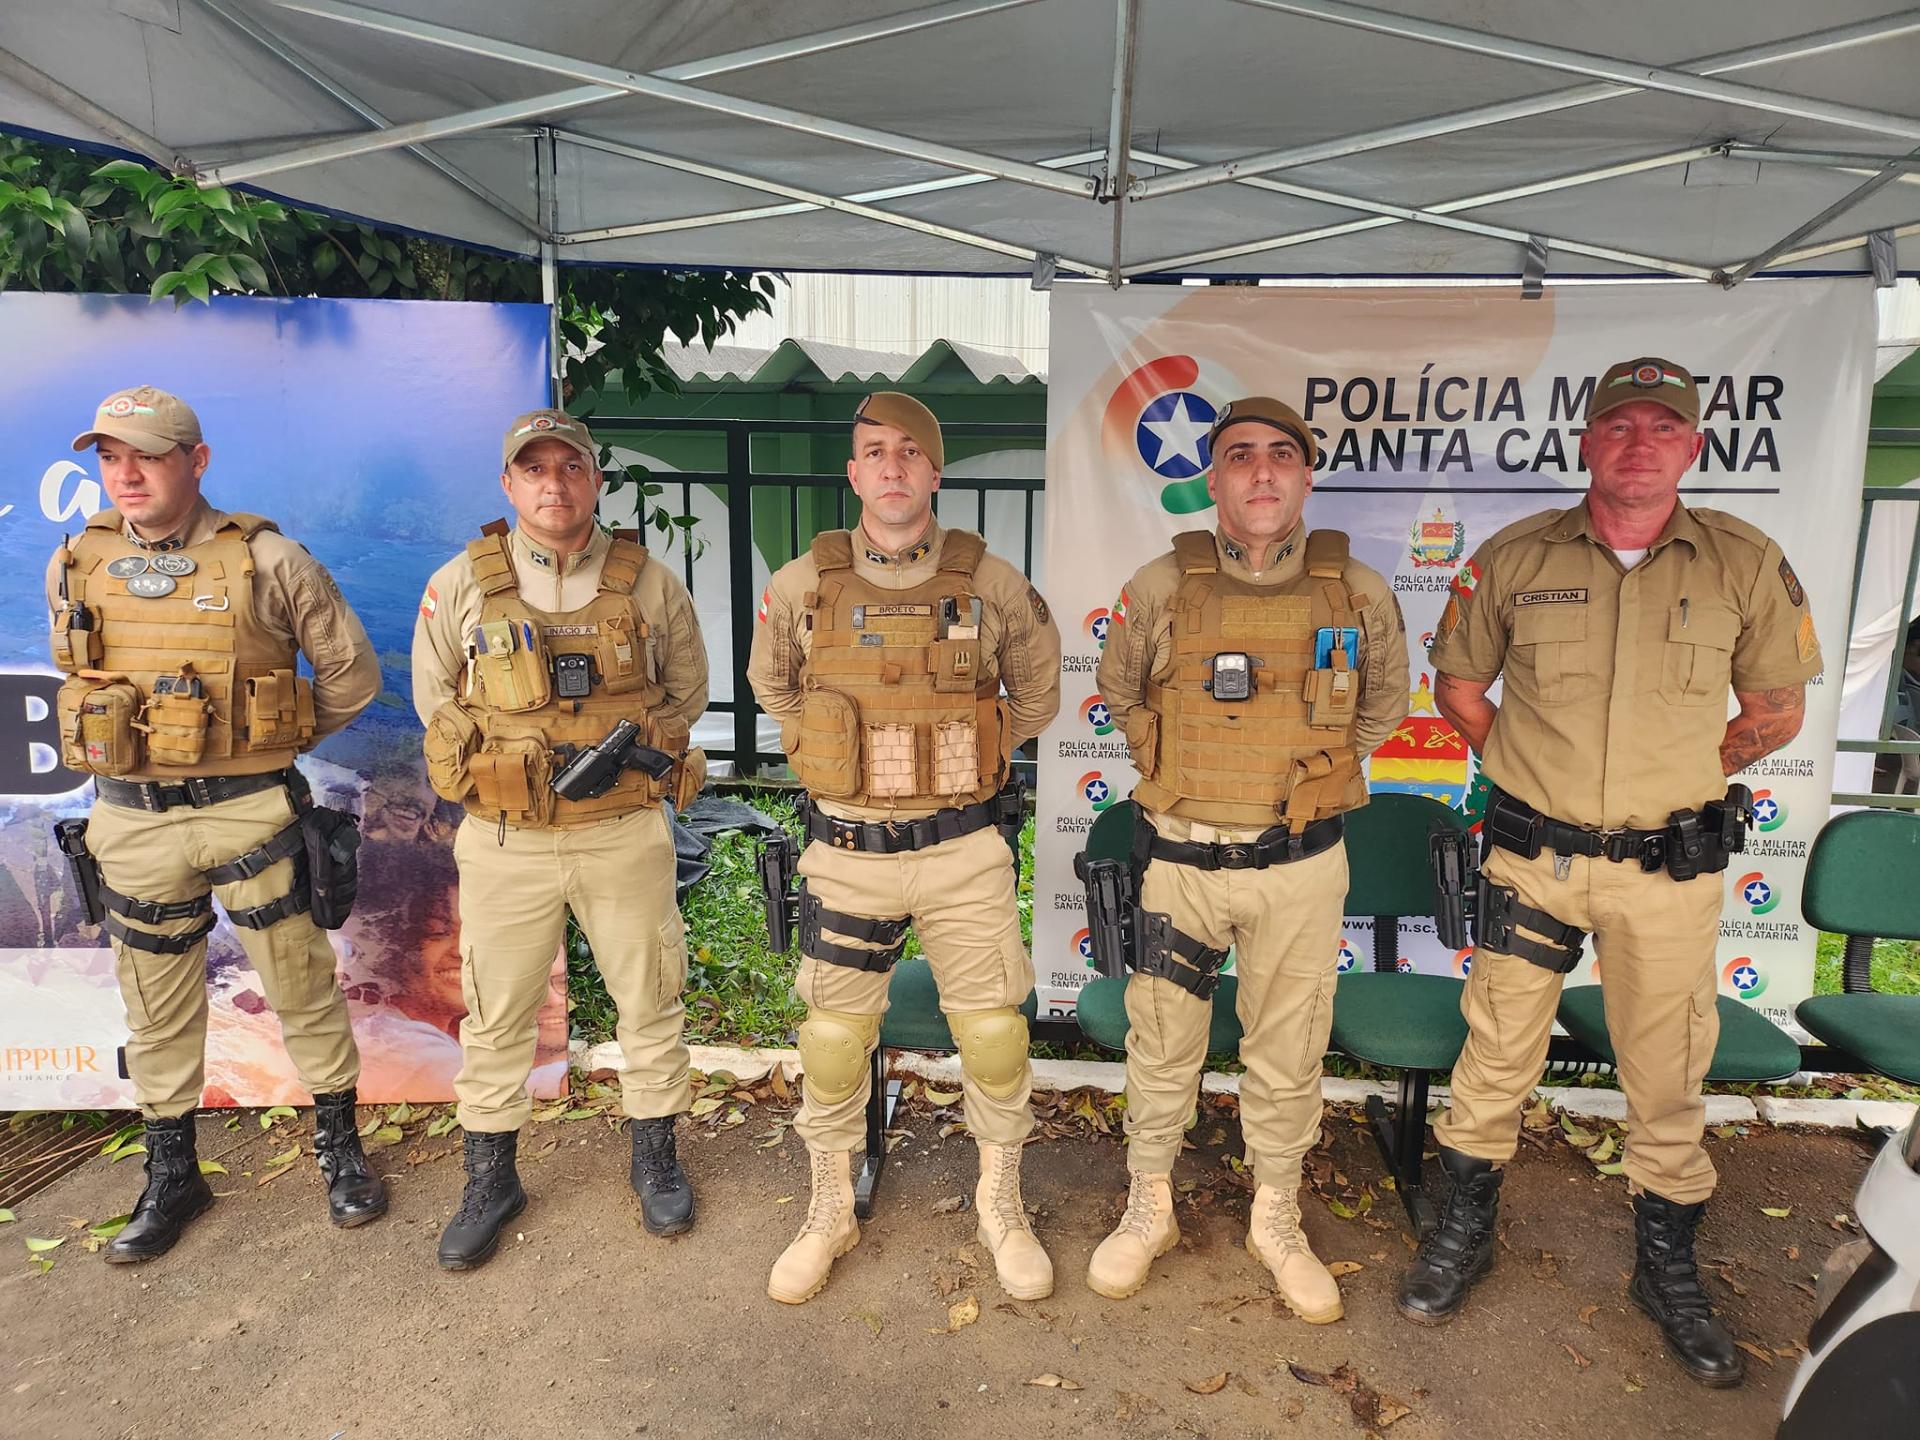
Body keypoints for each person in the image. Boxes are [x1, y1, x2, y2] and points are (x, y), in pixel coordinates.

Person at [1397, 357, 1821, 1388]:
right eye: (1619, 426)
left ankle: (1666, 1268)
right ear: (1585, 443)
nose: (1639, 444)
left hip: (1664, 877)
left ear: (1694, 448)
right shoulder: (1517, 554)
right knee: (1494, 1052)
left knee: (1668, 1069)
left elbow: (1774, 713)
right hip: (1532, 859)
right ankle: (1464, 1231)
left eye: (1661, 429)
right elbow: (1457, 687)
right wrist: (1525, 771)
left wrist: (1677, 780)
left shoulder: (1742, 562)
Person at [1088, 396, 1409, 1320]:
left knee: (1288, 1044)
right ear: (1214, 478)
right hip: (1181, 862)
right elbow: (1118, 689)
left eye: (1281, 455)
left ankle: (1277, 1211)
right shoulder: (1159, 585)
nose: (1261, 473)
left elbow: (1383, 703)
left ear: (1306, 475)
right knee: (1162, 1039)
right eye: (1239, 457)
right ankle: (1149, 1204)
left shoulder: (1356, 592)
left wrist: (1308, 776)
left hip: (1299, 866)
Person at [47, 385, 386, 1261]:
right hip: (133, 820)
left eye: (148, 455)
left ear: (196, 462)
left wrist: (270, 741)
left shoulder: (269, 561)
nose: (126, 474)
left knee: (300, 984)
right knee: (154, 1008)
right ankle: (172, 1175)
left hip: (248, 813)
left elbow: (352, 674)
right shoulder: (76, 562)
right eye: (110, 457)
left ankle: (341, 1151)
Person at [747, 392, 1062, 1305]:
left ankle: (1001, 1203)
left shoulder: (992, 582)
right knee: (837, 1040)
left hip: (964, 851)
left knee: (996, 1035)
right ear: (854, 473)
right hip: (848, 852)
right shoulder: (806, 584)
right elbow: (777, 688)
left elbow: (1035, 696)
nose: (892, 467)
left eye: (909, 453)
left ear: (934, 472)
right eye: (874, 452)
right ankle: (829, 1210)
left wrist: (967, 749)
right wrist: (846, 758)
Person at [412, 408, 709, 1269]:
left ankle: (656, 1162)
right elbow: (438, 701)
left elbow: (684, 694)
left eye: (569, 467)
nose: (553, 483)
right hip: (507, 840)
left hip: (621, 832)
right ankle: (491, 1179)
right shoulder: (463, 583)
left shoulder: (648, 582)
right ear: (509, 485)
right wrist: (513, 764)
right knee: (497, 1013)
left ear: (593, 479)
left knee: (649, 998)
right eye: (534, 469)